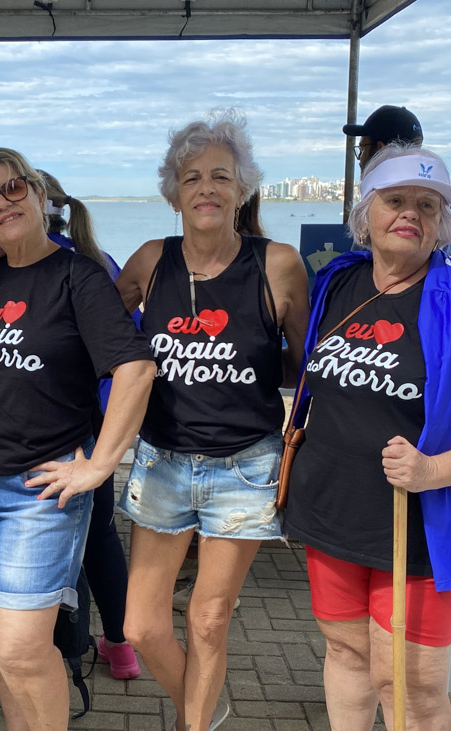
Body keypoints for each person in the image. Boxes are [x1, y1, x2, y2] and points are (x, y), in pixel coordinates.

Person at [284, 143, 451, 730]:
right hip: (332, 510)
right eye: (395, 199)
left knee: (410, 687)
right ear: (366, 211)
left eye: (428, 205)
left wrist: (431, 471)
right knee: (346, 655)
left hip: (417, 525)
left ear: (444, 223)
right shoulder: (339, 283)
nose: (411, 214)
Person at [0, 148, 154, 730]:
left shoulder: (78, 276)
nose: (3, 202)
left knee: (23, 646)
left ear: (39, 194)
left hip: (38, 493)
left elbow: (135, 369)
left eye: (13, 188)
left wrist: (100, 466)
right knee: (1, 640)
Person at [113, 111, 310, 730]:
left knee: (207, 617)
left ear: (241, 188)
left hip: (245, 464)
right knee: (141, 625)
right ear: (174, 190)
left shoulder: (278, 265)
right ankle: (203, 701)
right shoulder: (149, 262)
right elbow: (98, 336)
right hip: (161, 459)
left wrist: (306, 452)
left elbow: (310, 369)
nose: (205, 188)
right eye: (191, 176)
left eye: (220, 176)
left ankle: (194, 723)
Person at [38, 168, 140, 679]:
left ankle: (24, 650)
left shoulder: (15, 266)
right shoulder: (102, 263)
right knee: (99, 536)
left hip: (39, 424)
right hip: (94, 425)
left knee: (33, 540)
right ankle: (121, 647)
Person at [344, 105, 451, 265]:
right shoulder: (444, 205)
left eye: (426, 205)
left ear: (380, 149)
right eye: (395, 201)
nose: (360, 159)